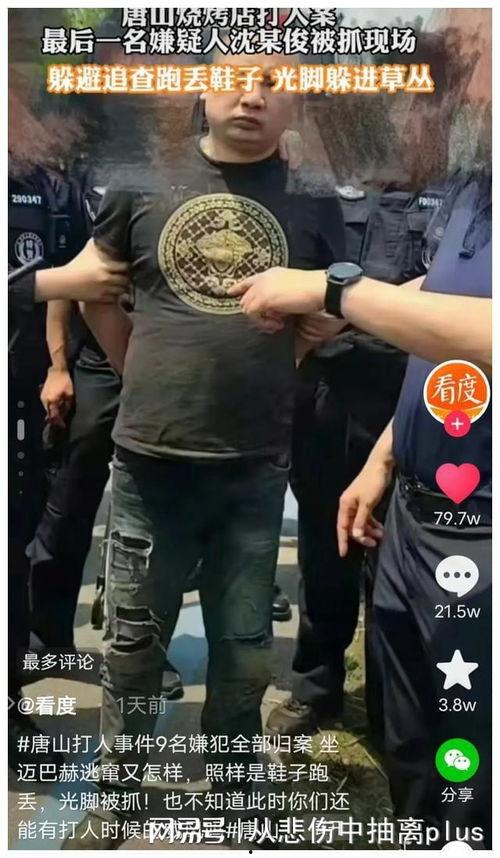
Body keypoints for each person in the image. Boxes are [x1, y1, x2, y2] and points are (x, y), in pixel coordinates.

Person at [62, 48, 345, 849]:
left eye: (272, 85)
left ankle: (234, 785)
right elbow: (96, 294)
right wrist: (144, 372)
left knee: (246, 648)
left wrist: (282, 358)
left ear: (295, 105)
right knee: (131, 645)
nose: (251, 98)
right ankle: (119, 792)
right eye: (234, 80)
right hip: (148, 464)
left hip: (254, 469)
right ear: (201, 90)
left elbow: (323, 320)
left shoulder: (314, 203)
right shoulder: (142, 184)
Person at [230, 169, 491, 845]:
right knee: (414, 740)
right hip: (415, 495)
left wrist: (336, 290)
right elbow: (446, 300)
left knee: (470, 751)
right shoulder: (474, 186)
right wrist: (385, 458)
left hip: (480, 527)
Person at [266, 179, 443, 739]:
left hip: (414, 393)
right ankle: (316, 686)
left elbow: (452, 290)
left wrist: (350, 309)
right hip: (328, 395)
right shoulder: (319, 185)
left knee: (404, 559)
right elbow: (288, 278)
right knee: (326, 545)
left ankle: (392, 709)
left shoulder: (456, 190)